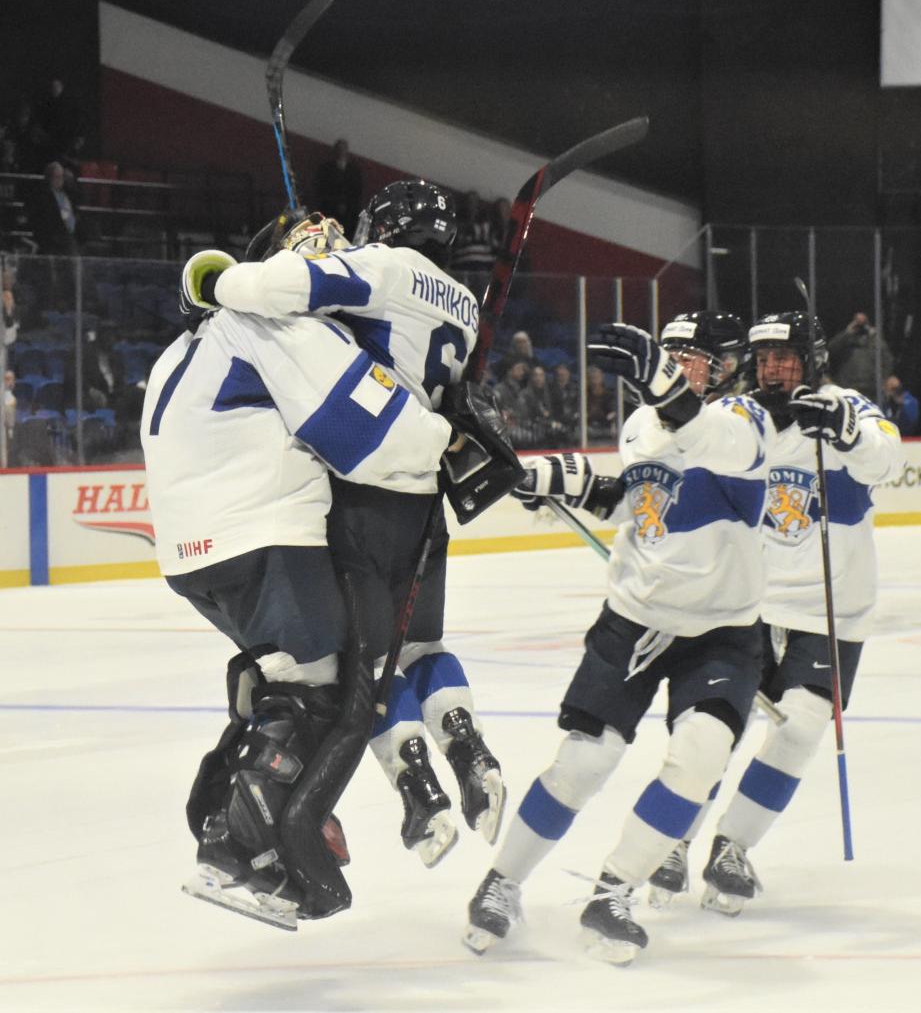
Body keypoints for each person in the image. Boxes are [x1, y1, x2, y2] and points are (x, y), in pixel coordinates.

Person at [146, 217, 513, 929]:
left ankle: (233, 831)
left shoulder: (185, 345)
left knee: (289, 681)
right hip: (263, 534)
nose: (328, 253)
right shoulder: (272, 323)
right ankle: (239, 855)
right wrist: (454, 433)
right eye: (310, 244)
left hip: (194, 552)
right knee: (321, 695)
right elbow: (369, 431)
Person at [464, 312, 775, 964]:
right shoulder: (641, 423)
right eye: (674, 355)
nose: (681, 365)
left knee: (700, 759)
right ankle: (500, 884)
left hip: (721, 633)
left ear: (726, 368)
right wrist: (568, 484)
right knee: (583, 762)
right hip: (633, 618)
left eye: (695, 357)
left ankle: (612, 894)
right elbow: (643, 501)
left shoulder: (747, 421)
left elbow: (710, 440)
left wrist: (665, 383)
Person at [647, 311, 905, 917]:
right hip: (748, 604)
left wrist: (844, 433)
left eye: (786, 358)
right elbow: (693, 442)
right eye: (764, 359)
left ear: (814, 359)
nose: (773, 368)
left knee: (799, 728)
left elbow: (885, 459)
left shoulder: (849, 408)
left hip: (830, 612)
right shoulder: (742, 414)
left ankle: (733, 846)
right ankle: (673, 843)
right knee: (713, 730)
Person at [826, 311, 892, 401]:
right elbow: (830, 349)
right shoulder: (845, 340)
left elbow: (887, 360)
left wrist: (874, 335)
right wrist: (847, 333)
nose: (860, 327)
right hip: (848, 388)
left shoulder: (874, 342)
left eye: (863, 323)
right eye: (858, 322)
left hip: (870, 390)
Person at [26, 161, 82, 256]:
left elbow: (74, 212)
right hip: (51, 239)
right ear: (50, 178)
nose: (60, 180)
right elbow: (38, 219)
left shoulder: (67, 194)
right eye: (57, 177)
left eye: (62, 177)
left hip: (68, 237)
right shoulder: (41, 196)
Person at [311, 138, 362, 239]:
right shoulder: (326, 168)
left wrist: (346, 204)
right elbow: (322, 188)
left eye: (344, 149)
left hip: (348, 213)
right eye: (339, 149)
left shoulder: (354, 170)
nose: (342, 152)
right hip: (329, 208)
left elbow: (356, 191)